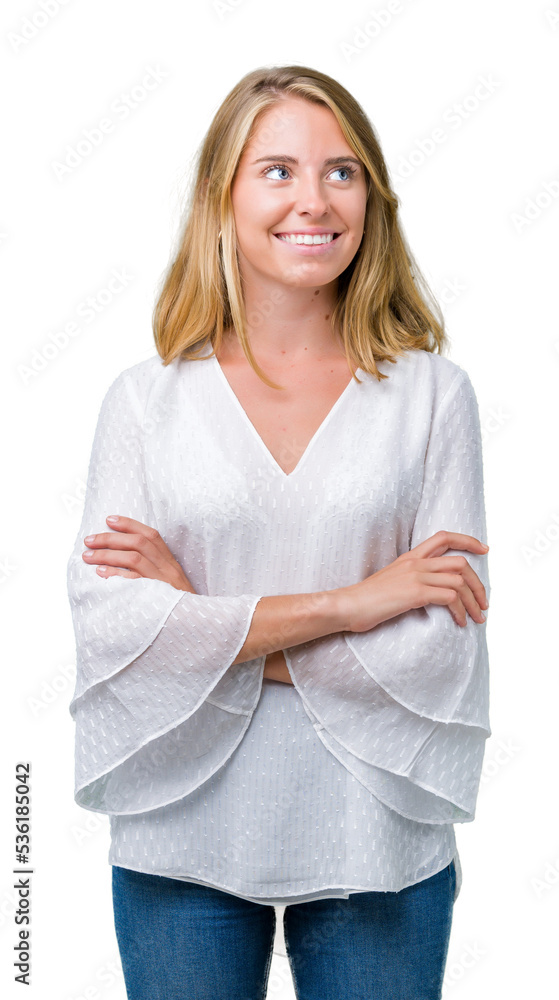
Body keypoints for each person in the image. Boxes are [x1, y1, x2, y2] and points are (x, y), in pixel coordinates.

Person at [66, 65, 491, 1000]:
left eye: (342, 172)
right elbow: (116, 639)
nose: (314, 200)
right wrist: (356, 602)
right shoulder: (144, 404)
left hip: (375, 833)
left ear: (372, 198)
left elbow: (437, 657)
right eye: (277, 171)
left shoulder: (430, 396)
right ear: (222, 196)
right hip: (181, 829)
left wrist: (199, 621)